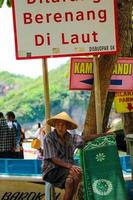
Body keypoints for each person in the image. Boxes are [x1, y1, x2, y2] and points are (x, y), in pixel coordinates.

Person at [42, 111, 109, 200]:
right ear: (55, 125)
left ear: (67, 127)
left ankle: (72, 197)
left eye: (63, 125)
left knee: (70, 181)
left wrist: (103, 135)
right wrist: (70, 166)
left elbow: (85, 138)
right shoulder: (49, 138)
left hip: (66, 170)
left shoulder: (70, 137)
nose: (60, 127)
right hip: (52, 170)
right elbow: (53, 158)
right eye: (58, 125)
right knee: (76, 172)